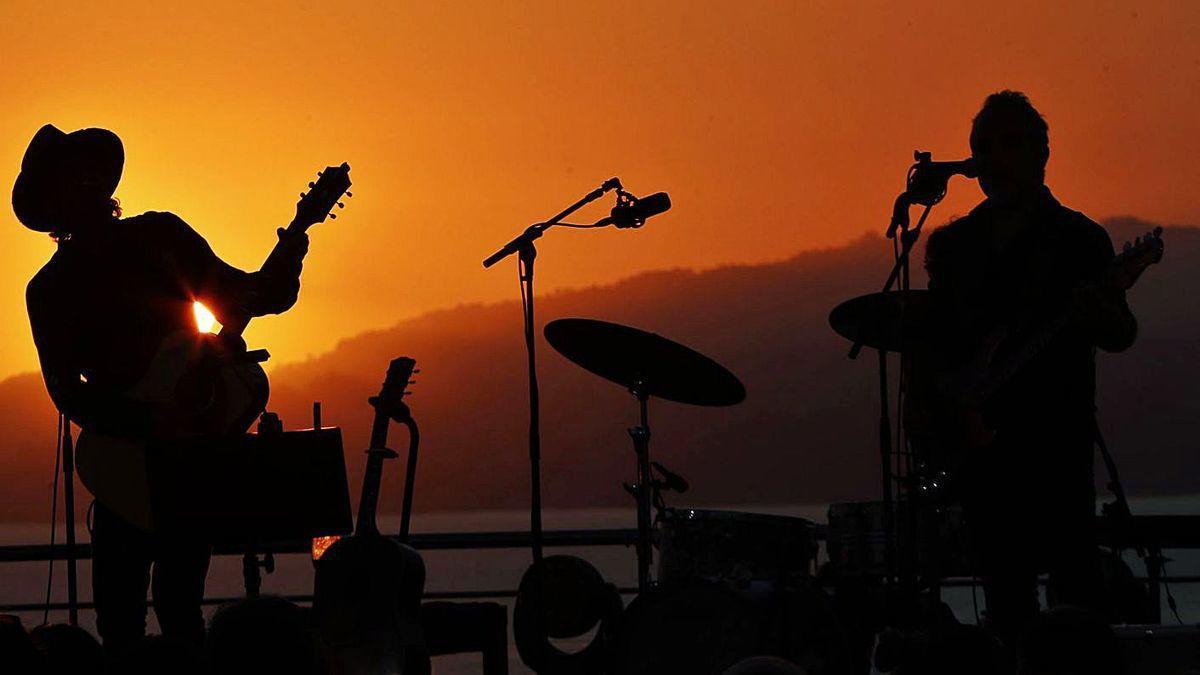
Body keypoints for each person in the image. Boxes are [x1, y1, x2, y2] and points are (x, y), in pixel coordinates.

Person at [15, 124, 309, 653]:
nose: (80, 187)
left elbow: (245, 296)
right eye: (66, 181)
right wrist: (147, 422)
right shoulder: (49, 289)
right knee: (119, 620)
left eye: (85, 175)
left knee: (181, 609)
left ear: (102, 181)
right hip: (120, 465)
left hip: (188, 462)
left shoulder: (162, 237)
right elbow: (66, 393)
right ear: (52, 204)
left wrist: (289, 260)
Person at [911, 91, 1137, 644]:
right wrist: (948, 406)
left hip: (1057, 449)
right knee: (1006, 607)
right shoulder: (955, 246)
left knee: (1076, 609)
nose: (993, 159)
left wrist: (1098, 313)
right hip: (984, 461)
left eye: (1009, 144)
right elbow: (930, 348)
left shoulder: (1081, 240)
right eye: (982, 148)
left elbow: (1121, 334)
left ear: (1042, 154)